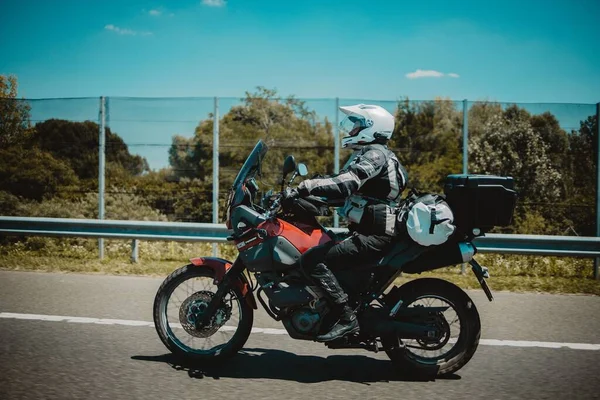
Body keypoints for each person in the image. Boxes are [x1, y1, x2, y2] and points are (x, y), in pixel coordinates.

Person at [286, 104, 409, 342]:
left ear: (372, 128)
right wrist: (308, 199)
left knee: (312, 260)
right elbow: (342, 194)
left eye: (357, 124)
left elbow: (346, 183)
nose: (351, 129)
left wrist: (306, 186)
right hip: (369, 232)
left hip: (375, 236)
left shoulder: (375, 154)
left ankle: (346, 317)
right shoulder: (371, 153)